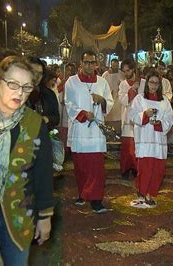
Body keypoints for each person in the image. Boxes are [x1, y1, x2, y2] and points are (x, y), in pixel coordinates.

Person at [0, 56, 55, 265]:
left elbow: (42, 172)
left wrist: (45, 216)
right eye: (13, 84)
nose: (20, 93)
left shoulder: (34, 123)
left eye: (26, 87)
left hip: (17, 215)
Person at [64, 51, 114, 213]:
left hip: (96, 132)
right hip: (79, 129)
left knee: (96, 167)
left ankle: (96, 199)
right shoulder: (71, 82)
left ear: (96, 64)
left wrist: (103, 101)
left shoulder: (102, 82)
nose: (89, 66)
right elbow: (69, 103)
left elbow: (110, 102)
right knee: (81, 165)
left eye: (92, 63)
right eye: (86, 62)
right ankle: (82, 193)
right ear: (81, 63)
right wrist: (83, 114)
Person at [129, 71, 173, 207]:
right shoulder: (140, 99)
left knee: (158, 169)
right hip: (145, 139)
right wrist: (145, 114)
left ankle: (151, 192)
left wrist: (160, 123)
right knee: (145, 168)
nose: (154, 86)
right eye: (151, 82)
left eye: (156, 83)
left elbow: (169, 119)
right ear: (147, 83)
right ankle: (144, 193)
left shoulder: (164, 101)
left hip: (158, 141)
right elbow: (133, 116)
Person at [118, 59, 145, 180]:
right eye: (124, 71)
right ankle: (125, 168)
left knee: (138, 144)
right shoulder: (123, 84)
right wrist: (131, 90)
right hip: (128, 117)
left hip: (140, 117)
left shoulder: (143, 82)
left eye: (128, 70)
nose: (126, 73)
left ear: (133, 69)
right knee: (127, 146)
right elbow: (122, 100)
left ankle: (136, 168)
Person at [103, 58, 124, 134]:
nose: (115, 68)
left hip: (118, 99)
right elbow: (103, 86)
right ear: (111, 65)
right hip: (109, 98)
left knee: (118, 118)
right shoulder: (106, 74)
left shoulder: (121, 74)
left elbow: (124, 84)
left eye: (116, 66)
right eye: (113, 66)